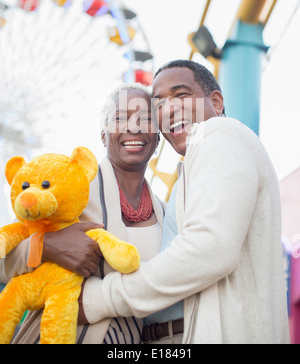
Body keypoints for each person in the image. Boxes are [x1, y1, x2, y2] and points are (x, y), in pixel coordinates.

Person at [79, 60, 290, 344]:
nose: (169, 108)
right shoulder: (187, 179)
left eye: (181, 95)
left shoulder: (217, 134)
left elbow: (209, 247)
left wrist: (100, 298)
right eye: (159, 103)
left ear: (216, 101)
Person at [0, 83, 165, 344]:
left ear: (158, 136)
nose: (133, 127)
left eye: (145, 119)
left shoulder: (166, 213)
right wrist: (44, 247)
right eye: (120, 118)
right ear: (102, 136)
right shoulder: (67, 192)